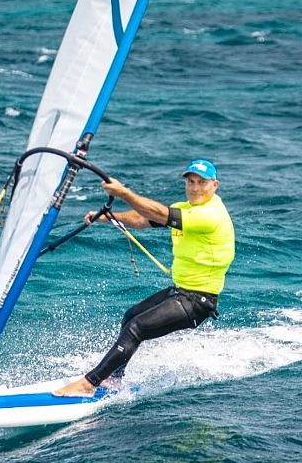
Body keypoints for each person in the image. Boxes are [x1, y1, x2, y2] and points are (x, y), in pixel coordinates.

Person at [54, 159, 235, 397]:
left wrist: (123, 192)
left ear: (215, 185)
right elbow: (144, 219)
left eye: (202, 182)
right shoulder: (187, 208)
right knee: (131, 316)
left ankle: (90, 383)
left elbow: (157, 212)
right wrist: (108, 218)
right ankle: (113, 378)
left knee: (136, 328)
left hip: (199, 301)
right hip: (182, 291)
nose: (195, 187)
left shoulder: (210, 215)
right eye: (191, 181)